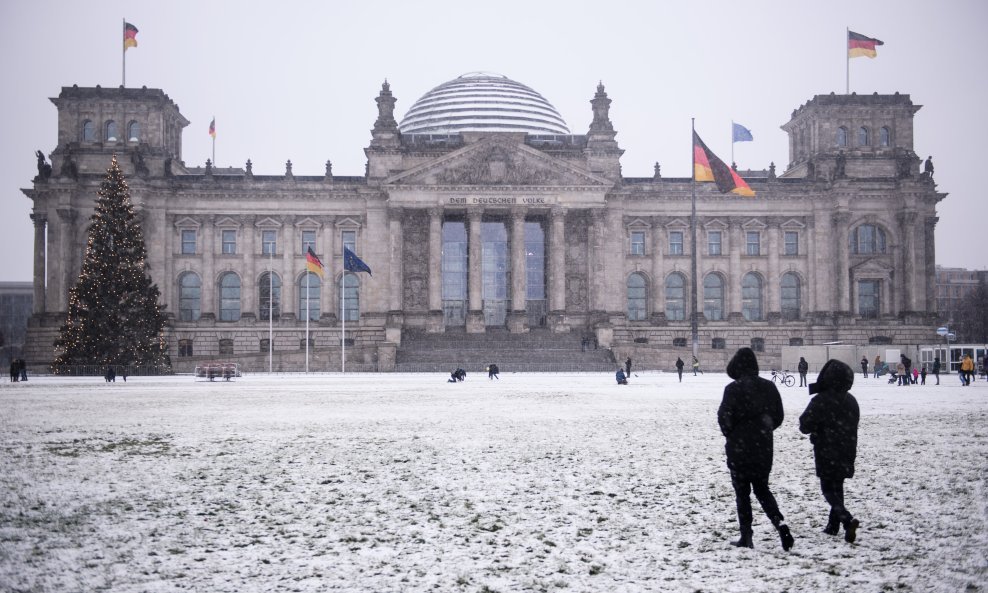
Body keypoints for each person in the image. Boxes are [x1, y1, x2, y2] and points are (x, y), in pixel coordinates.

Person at [717, 347, 794, 551]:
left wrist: (733, 434)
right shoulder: (769, 387)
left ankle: (746, 536)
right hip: (763, 447)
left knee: (742, 494)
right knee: (762, 489)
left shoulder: (733, 388)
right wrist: (764, 431)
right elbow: (778, 416)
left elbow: (724, 417)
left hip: (739, 449)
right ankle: (780, 525)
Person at [799, 359, 861, 544]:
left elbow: (805, 425)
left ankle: (846, 519)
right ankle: (832, 526)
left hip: (826, 448)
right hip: (847, 448)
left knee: (827, 489)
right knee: (838, 486)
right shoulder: (851, 400)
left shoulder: (822, 399)